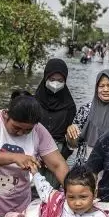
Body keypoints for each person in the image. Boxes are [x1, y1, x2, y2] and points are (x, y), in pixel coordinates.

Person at [66, 69, 109, 166]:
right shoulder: (85, 110)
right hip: (85, 170)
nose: (106, 89)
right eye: (101, 86)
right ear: (96, 88)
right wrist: (70, 133)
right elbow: (73, 145)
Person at [34, 58, 76, 186]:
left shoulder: (69, 106)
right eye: (52, 79)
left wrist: (60, 158)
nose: (55, 84)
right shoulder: (33, 102)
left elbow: (70, 141)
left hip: (57, 152)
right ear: (45, 77)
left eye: (60, 80)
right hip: (34, 151)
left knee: (51, 193)